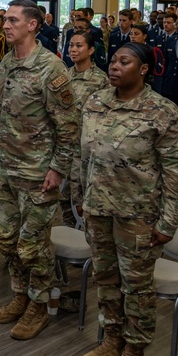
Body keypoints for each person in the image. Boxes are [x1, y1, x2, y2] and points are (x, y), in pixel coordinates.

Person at [78, 42, 178, 356]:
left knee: (136, 286)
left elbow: (175, 172)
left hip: (138, 214)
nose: (114, 66)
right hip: (98, 209)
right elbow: (85, 158)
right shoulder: (96, 101)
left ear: (143, 69)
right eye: (112, 60)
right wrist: (81, 199)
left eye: (124, 62)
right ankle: (112, 339)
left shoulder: (162, 111)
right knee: (105, 279)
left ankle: (134, 351)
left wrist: (169, 222)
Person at [0, 0, 78, 341]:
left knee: (33, 246)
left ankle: (38, 306)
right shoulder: (7, 63)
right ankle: (19, 296)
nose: (5, 25)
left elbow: (69, 127)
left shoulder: (51, 69)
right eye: (4, 19)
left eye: (12, 20)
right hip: (8, 170)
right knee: (6, 240)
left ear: (32, 25)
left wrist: (58, 170)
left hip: (39, 174)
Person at [63, 30, 107, 227]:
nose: (73, 49)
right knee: (63, 201)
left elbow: (105, 119)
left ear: (90, 50)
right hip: (64, 148)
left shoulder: (100, 80)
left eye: (78, 45)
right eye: (71, 45)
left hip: (86, 151)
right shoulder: (64, 75)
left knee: (82, 202)